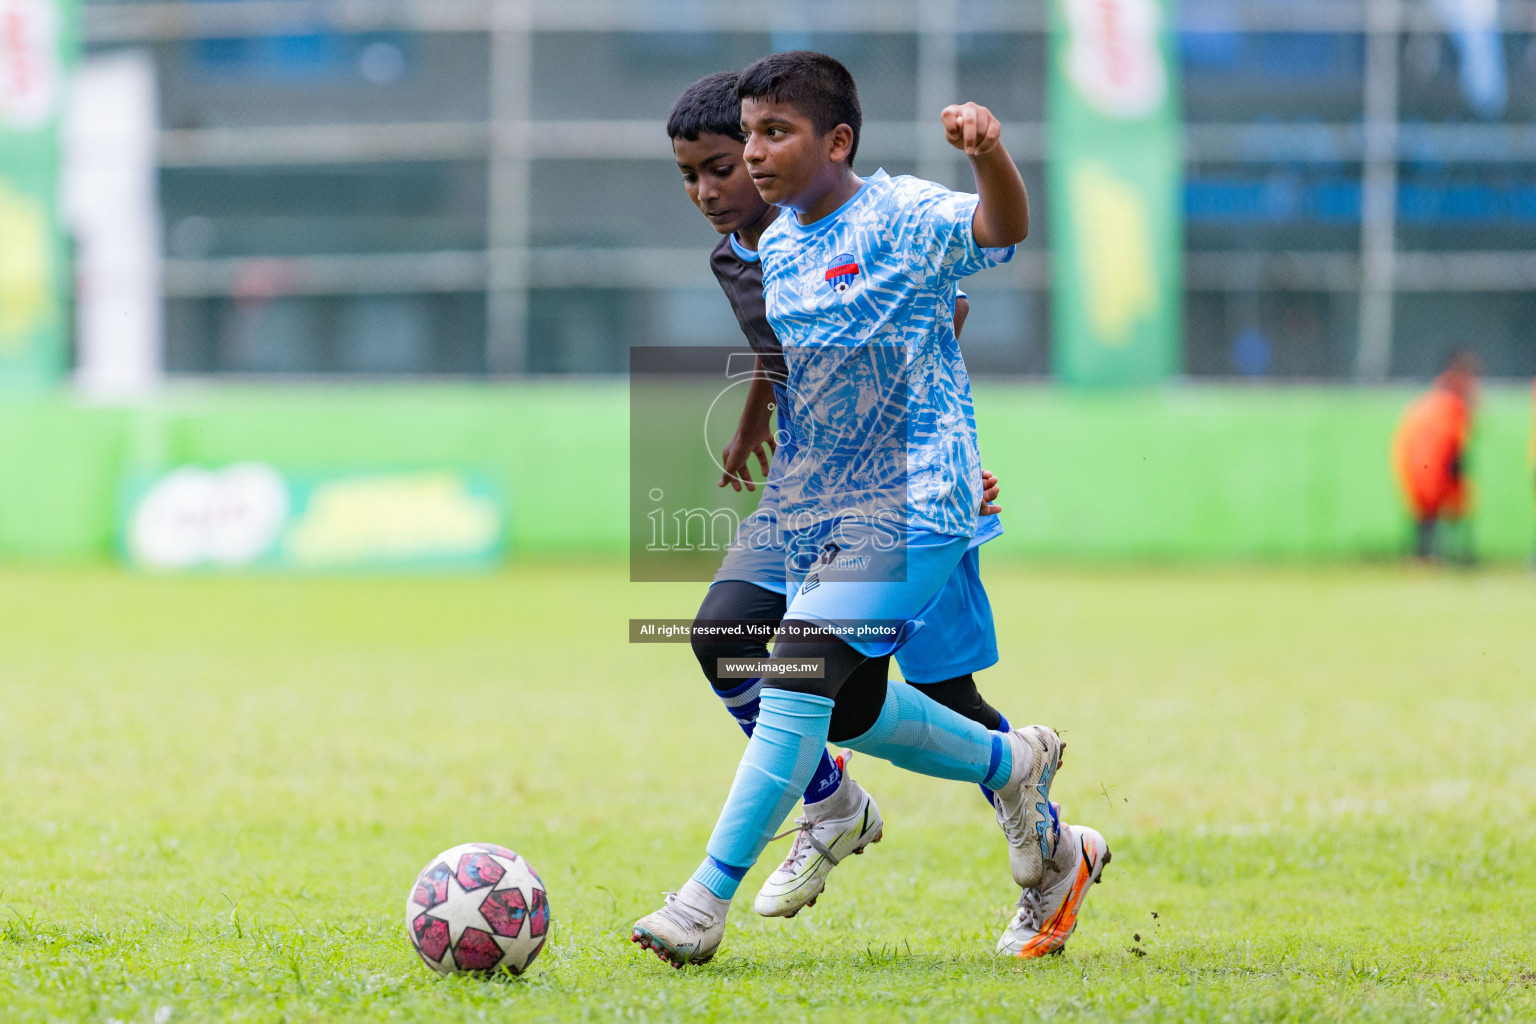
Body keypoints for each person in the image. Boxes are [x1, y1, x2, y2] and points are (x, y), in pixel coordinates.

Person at [633, 53, 1106, 967]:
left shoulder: (900, 210)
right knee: (776, 664)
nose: (747, 162)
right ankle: (1006, 769)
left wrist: (989, 153)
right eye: (746, 140)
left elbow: (991, 239)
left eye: (769, 137)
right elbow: (814, 366)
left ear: (833, 139)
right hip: (816, 496)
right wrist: (760, 433)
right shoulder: (773, 249)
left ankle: (703, 899)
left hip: (915, 499)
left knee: (818, 674)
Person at [1393, 350, 1479, 563]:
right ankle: (1437, 554)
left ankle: (1427, 553)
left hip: (1418, 461)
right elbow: (1452, 444)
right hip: (1429, 463)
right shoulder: (1449, 405)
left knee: (1429, 510)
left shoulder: (1434, 401)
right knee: (1438, 507)